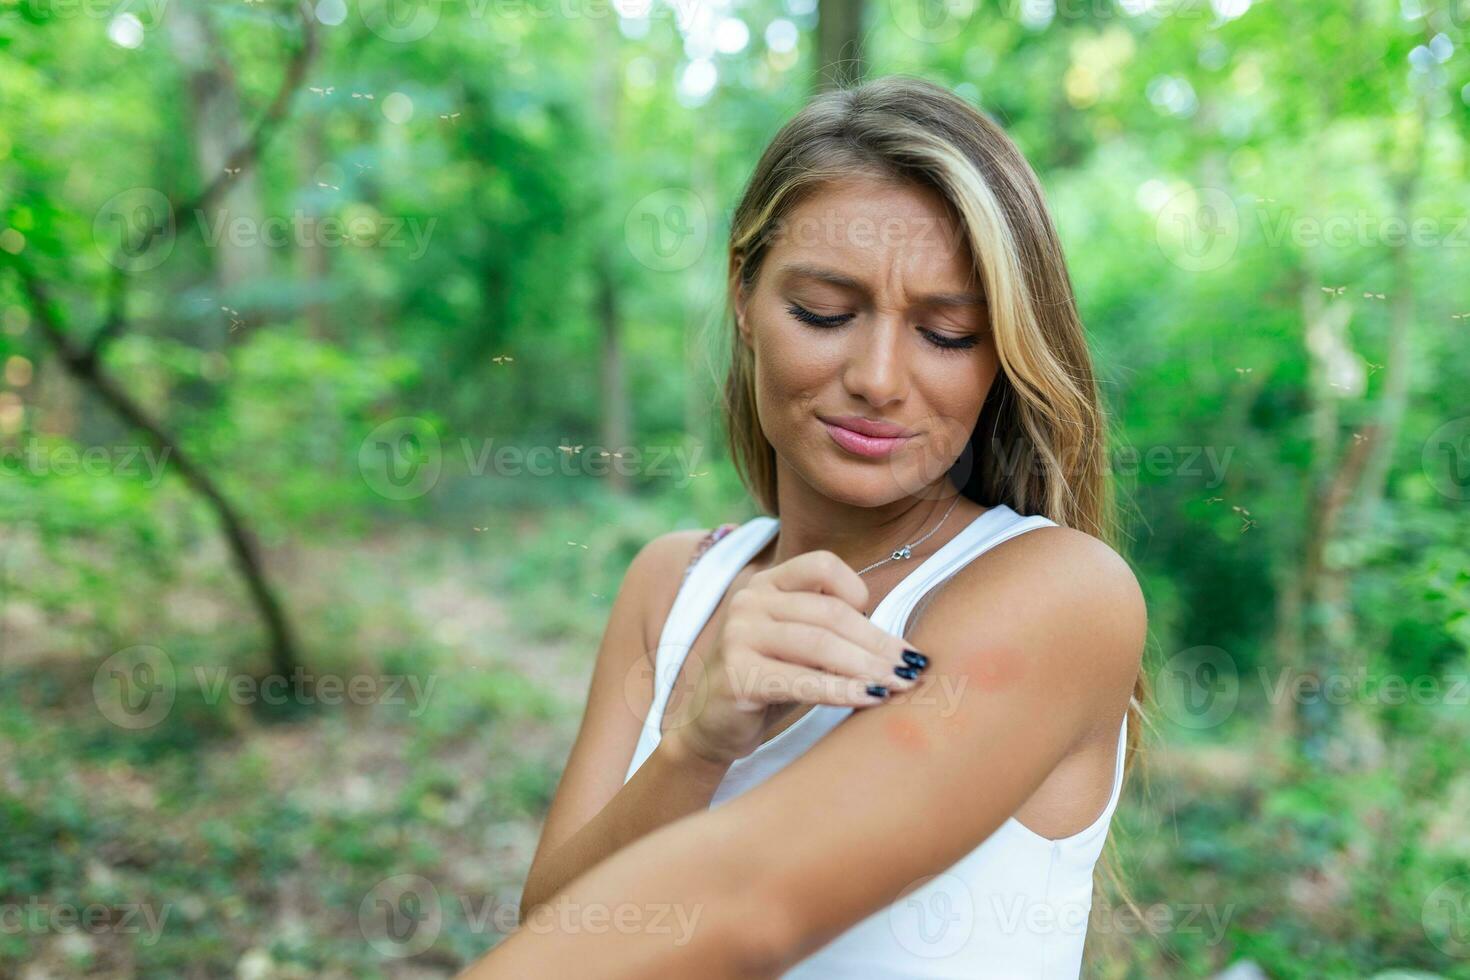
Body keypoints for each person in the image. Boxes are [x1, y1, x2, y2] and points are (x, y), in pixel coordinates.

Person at [460, 74, 1147, 979]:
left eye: (946, 334)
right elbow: (554, 925)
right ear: (744, 295)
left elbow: (753, 903)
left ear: (1004, 355)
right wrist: (695, 748)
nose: (878, 376)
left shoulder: (1061, 593)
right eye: (824, 312)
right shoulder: (671, 584)